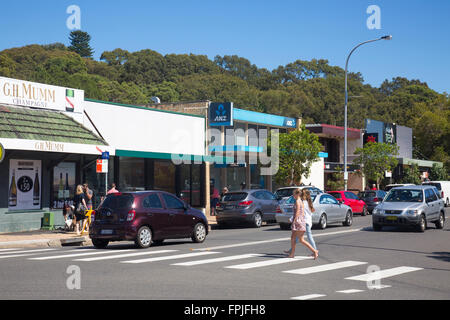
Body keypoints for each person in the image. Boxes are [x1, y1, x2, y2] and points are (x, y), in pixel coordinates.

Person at [285, 188, 318, 259]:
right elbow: (303, 213)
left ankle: (314, 250)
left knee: (299, 238)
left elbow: (298, 212)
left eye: (294, 194)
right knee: (296, 238)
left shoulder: (300, 202)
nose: (293, 195)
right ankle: (292, 252)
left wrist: (293, 220)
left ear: (298, 194)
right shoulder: (305, 202)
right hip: (304, 221)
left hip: (301, 221)